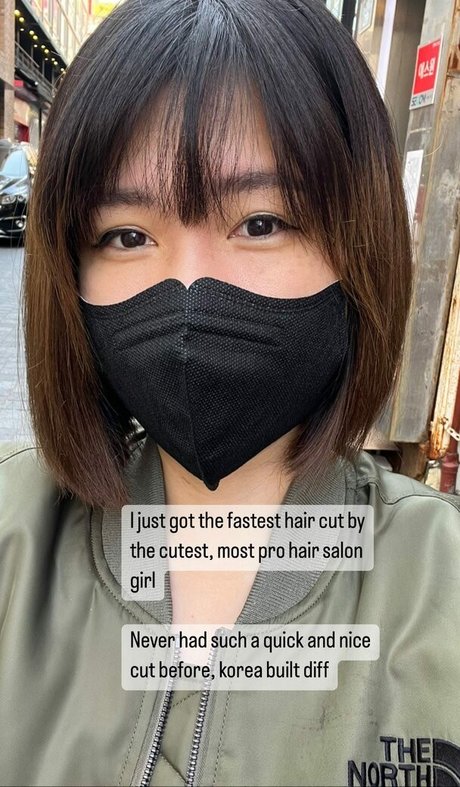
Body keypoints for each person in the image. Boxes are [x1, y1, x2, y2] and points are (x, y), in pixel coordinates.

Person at [1, 0, 459, 785]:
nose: (189, 293)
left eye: (261, 222)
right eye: (127, 235)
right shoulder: (15, 536)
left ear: (360, 242)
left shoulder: (438, 587)